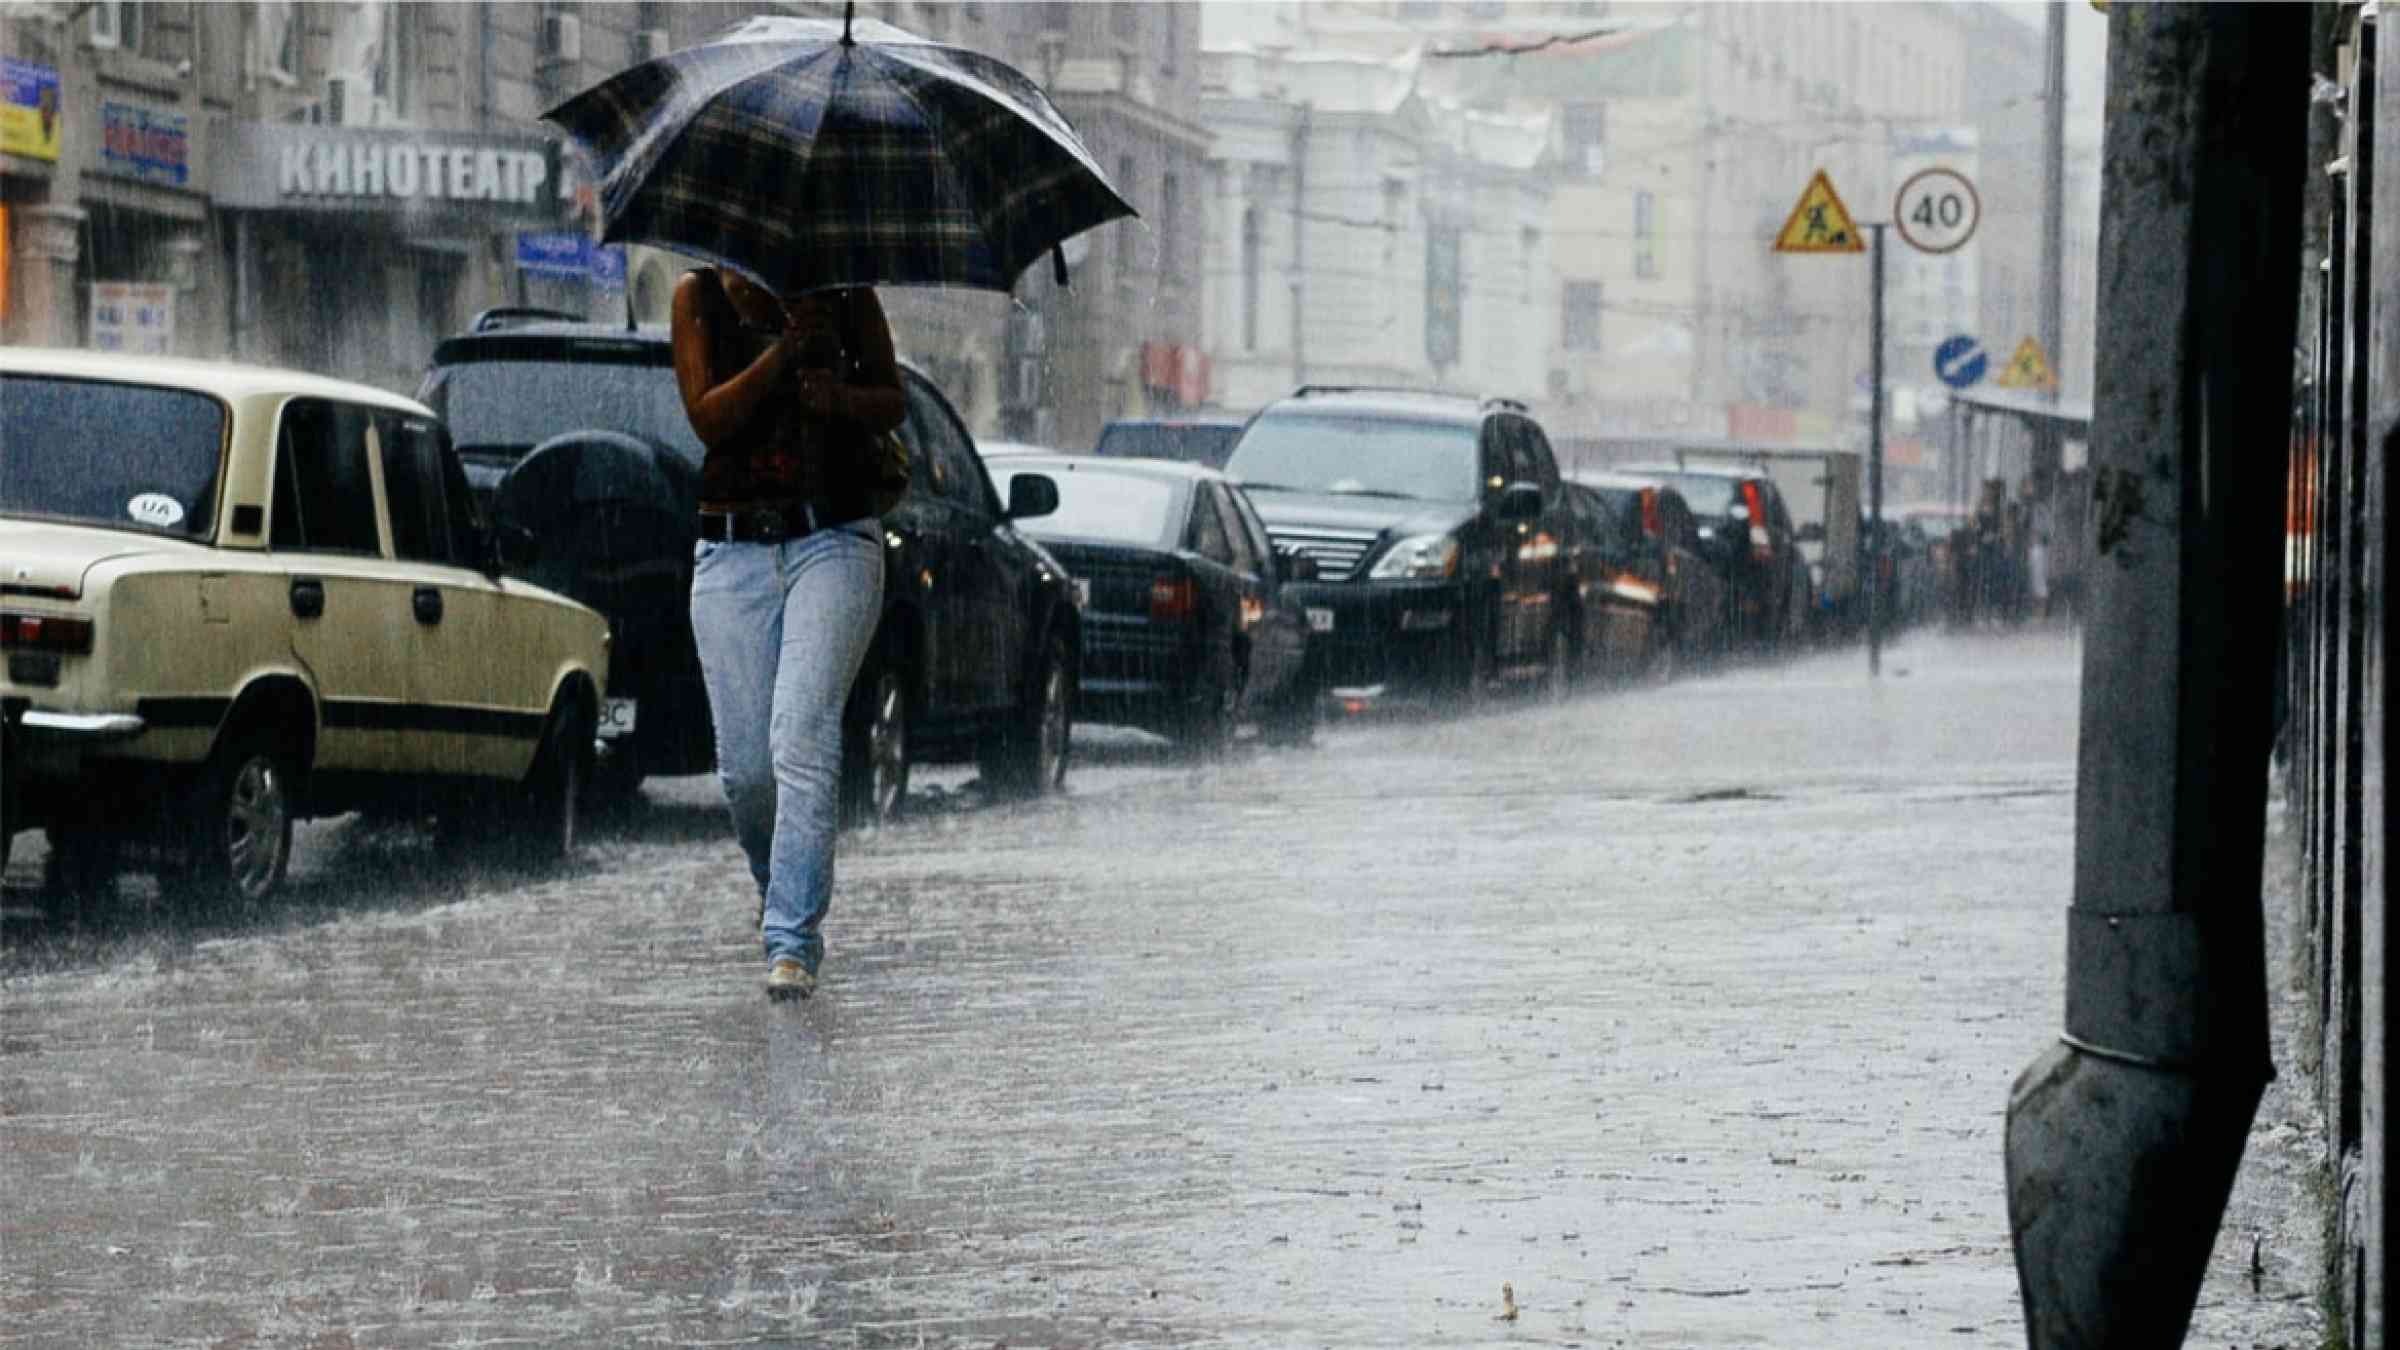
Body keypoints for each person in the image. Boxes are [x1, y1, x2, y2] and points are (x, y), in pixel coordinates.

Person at [671, 265, 905, 1001]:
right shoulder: (697, 297)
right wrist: (780, 354)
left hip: (833, 541)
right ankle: (783, 888)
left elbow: (893, 400)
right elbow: (706, 418)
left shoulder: (844, 290)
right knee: (746, 771)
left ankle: (791, 942)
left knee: (800, 734)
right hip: (730, 550)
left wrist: (836, 395)